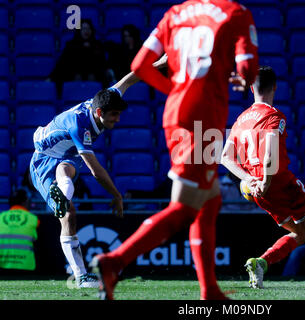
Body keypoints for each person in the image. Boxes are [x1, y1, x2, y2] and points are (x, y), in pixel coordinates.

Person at [90, 0, 259, 300]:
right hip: (203, 117)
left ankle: (209, 290)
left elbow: (139, 65)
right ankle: (114, 262)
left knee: (209, 201)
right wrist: (241, 78)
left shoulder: (175, 14)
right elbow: (248, 67)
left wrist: (177, 89)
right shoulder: (236, 13)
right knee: (184, 209)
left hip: (176, 111)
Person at [221, 66, 305, 289]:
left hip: (257, 189)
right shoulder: (273, 116)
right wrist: (266, 181)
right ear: (275, 87)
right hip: (278, 183)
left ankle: (260, 263)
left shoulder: (241, 119)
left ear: (250, 88)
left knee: (303, 232)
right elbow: (269, 155)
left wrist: (248, 179)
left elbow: (225, 157)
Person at [29, 71, 140, 288]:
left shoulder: (105, 98)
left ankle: (62, 192)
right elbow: (95, 170)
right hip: (43, 160)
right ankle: (81, 277)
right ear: (99, 112)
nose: (117, 119)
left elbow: (129, 79)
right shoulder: (80, 125)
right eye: (114, 115)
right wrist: (117, 195)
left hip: (66, 155)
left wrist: (159, 63)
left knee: (67, 170)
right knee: (69, 213)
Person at [49, 19, 108, 96]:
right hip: (74, 75)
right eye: (83, 29)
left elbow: (101, 64)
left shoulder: (98, 45)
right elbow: (63, 63)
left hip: (94, 75)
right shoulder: (71, 45)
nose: (86, 31)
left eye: (88, 28)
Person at [0, 189, 39, 271]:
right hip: (26, 266)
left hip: (2, 267)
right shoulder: (34, 219)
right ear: (25, 202)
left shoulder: (1, 217)